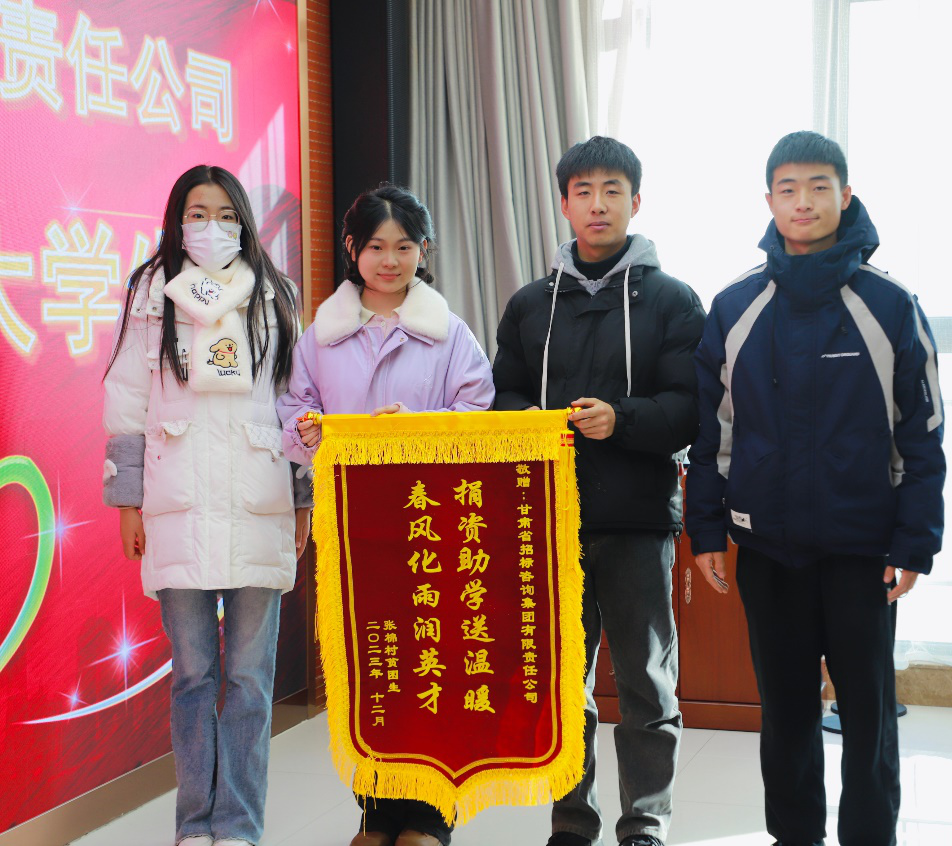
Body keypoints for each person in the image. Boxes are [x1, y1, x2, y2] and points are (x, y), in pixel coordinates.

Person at [685, 130, 947, 846]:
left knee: (868, 712)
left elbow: (921, 433)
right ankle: (793, 836)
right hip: (768, 550)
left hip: (862, 549)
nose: (803, 201)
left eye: (818, 186)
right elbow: (711, 433)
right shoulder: (734, 305)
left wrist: (914, 543)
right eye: (788, 188)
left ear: (845, 194)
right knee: (785, 712)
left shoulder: (889, 304)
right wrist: (705, 529)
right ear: (768, 200)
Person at [492, 136, 705, 846]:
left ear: (635, 202)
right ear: (564, 204)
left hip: (637, 520)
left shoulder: (673, 300)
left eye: (612, 190)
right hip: (549, 523)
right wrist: (528, 419)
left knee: (646, 683)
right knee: (562, 687)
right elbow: (500, 394)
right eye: (582, 191)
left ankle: (645, 823)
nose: (597, 204)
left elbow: (690, 408)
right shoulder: (530, 305)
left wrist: (621, 419)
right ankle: (570, 823)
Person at [276, 184, 494, 846]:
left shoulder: (449, 333)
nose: (390, 260)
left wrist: (419, 426)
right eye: (376, 247)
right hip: (354, 526)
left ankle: (429, 815)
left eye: (404, 247)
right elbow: (292, 411)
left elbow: (477, 414)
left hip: (432, 522)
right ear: (353, 250)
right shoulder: (321, 336)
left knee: (432, 661)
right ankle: (375, 810)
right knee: (370, 663)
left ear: (424, 251)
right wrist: (310, 431)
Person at [102, 164, 311, 846]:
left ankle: (239, 825)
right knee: (193, 676)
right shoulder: (149, 291)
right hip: (178, 503)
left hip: (258, 501)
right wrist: (128, 501)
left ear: (243, 221)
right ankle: (194, 825)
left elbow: (296, 403)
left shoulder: (275, 293)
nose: (211, 226)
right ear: (177, 219)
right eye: (198, 212)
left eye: (225, 213)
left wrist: (302, 496)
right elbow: (127, 401)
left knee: (249, 680)